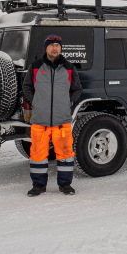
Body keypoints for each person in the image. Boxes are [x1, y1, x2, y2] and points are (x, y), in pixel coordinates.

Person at [21, 34, 83, 196]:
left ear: (60, 49)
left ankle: (65, 185)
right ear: (46, 48)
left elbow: (77, 89)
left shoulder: (69, 67)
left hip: (61, 120)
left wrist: (68, 102)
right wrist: (36, 101)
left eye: (57, 45)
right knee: (38, 154)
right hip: (40, 120)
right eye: (51, 45)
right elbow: (26, 87)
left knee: (65, 153)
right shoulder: (35, 66)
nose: (54, 48)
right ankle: (38, 186)